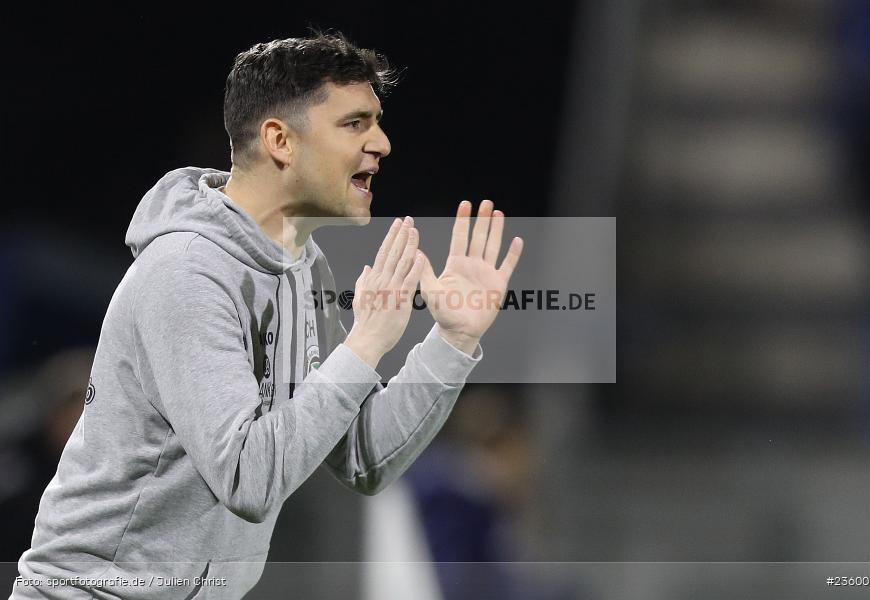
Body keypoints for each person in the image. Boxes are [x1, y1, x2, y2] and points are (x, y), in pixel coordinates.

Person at [10, 32, 522, 600]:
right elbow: (248, 478)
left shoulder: (303, 267)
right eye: (355, 123)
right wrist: (366, 344)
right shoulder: (186, 272)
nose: (382, 142)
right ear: (280, 140)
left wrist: (450, 342)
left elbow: (363, 458)